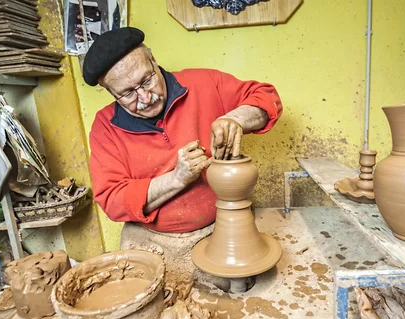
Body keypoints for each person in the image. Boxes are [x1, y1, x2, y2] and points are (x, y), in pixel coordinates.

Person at [83, 27, 282, 292]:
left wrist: (236, 118)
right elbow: (112, 199)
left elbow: (267, 98)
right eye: (127, 94)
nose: (144, 98)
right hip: (151, 242)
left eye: (146, 81)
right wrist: (176, 179)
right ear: (110, 92)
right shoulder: (105, 127)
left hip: (218, 233)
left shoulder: (203, 83)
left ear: (153, 61)